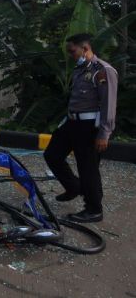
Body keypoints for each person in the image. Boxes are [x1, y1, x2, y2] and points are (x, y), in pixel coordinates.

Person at [44, 33, 118, 223]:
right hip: (71, 122)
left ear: (85, 48)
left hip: (89, 127)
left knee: (88, 168)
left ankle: (94, 209)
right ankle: (73, 187)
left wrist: (104, 133)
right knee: (52, 154)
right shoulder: (79, 69)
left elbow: (108, 104)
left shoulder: (102, 70)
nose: (70, 55)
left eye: (72, 51)